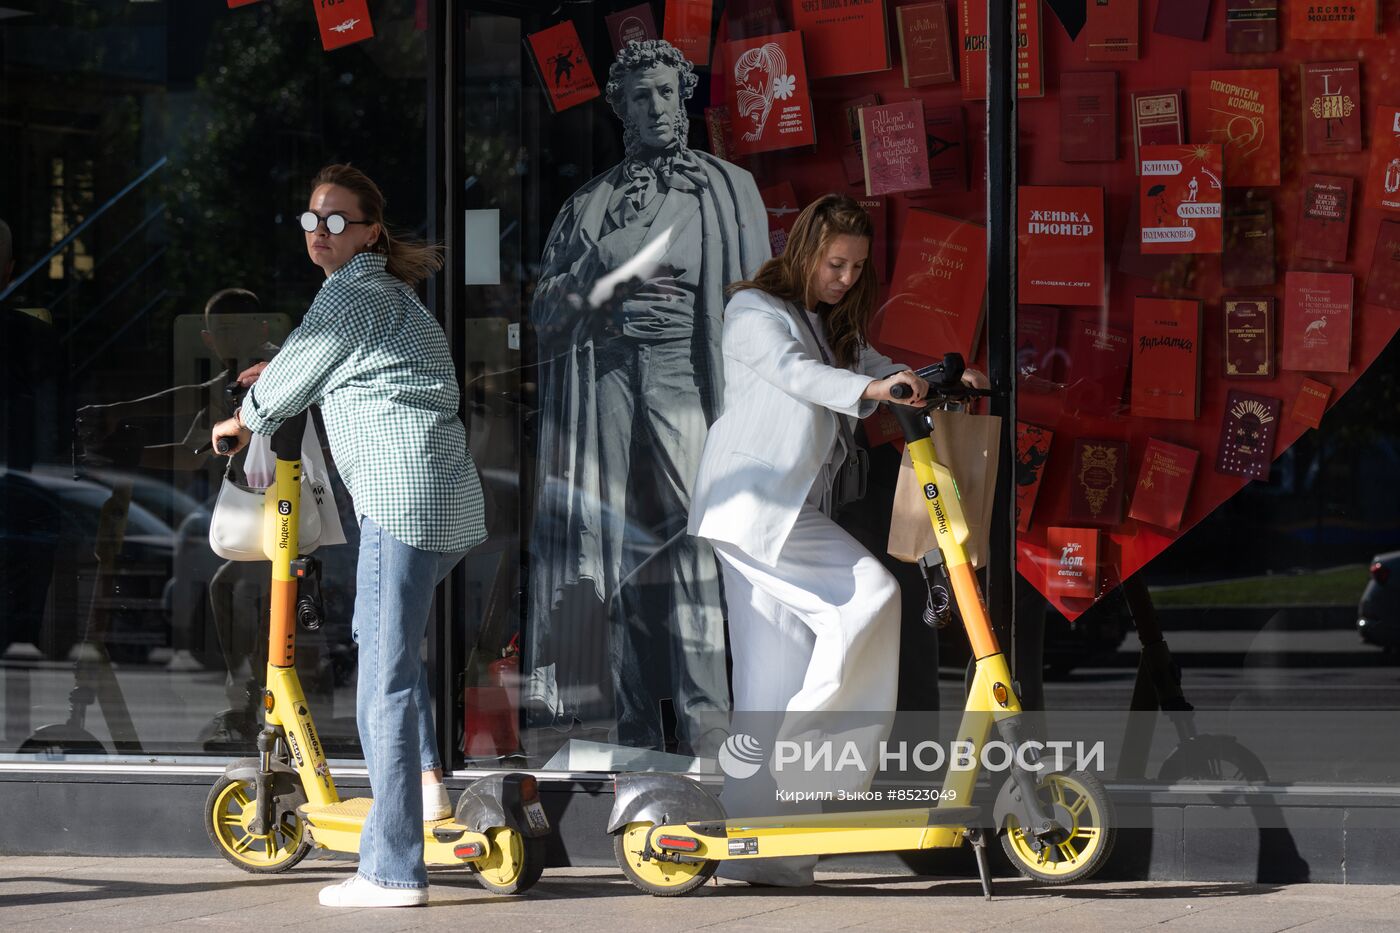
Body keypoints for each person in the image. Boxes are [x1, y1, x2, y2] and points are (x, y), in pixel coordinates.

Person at [689, 194, 986, 886]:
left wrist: (945, 378)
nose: (847, 277)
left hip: (781, 515)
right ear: (804, 252)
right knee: (872, 594)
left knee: (770, 682)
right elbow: (802, 375)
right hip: (755, 511)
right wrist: (877, 385)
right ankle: (809, 758)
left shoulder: (826, 326)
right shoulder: (753, 314)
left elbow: (877, 363)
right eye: (835, 263)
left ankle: (763, 847)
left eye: (856, 266)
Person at [211, 164, 484, 909]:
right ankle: (426, 786)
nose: (319, 233)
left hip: (402, 499)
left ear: (369, 230)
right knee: (381, 640)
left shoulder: (357, 291)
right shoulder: (380, 293)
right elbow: (323, 356)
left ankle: (393, 869)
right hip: (436, 499)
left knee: (384, 680)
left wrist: (245, 418)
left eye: (335, 221)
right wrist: (287, 374)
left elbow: (298, 371)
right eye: (311, 221)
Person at [526, 38, 769, 760]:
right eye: (641, 95)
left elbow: (763, 308)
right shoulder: (587, 204)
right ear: (620, 107)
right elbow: (543, 311)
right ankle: (634, 716)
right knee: (616, 544)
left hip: (684, 376)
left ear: (684, 98)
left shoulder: (728, 189)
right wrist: (594, 277)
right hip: (603, 377)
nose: (657, 106)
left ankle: (706, 714)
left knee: (696, 540)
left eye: (667, 92)